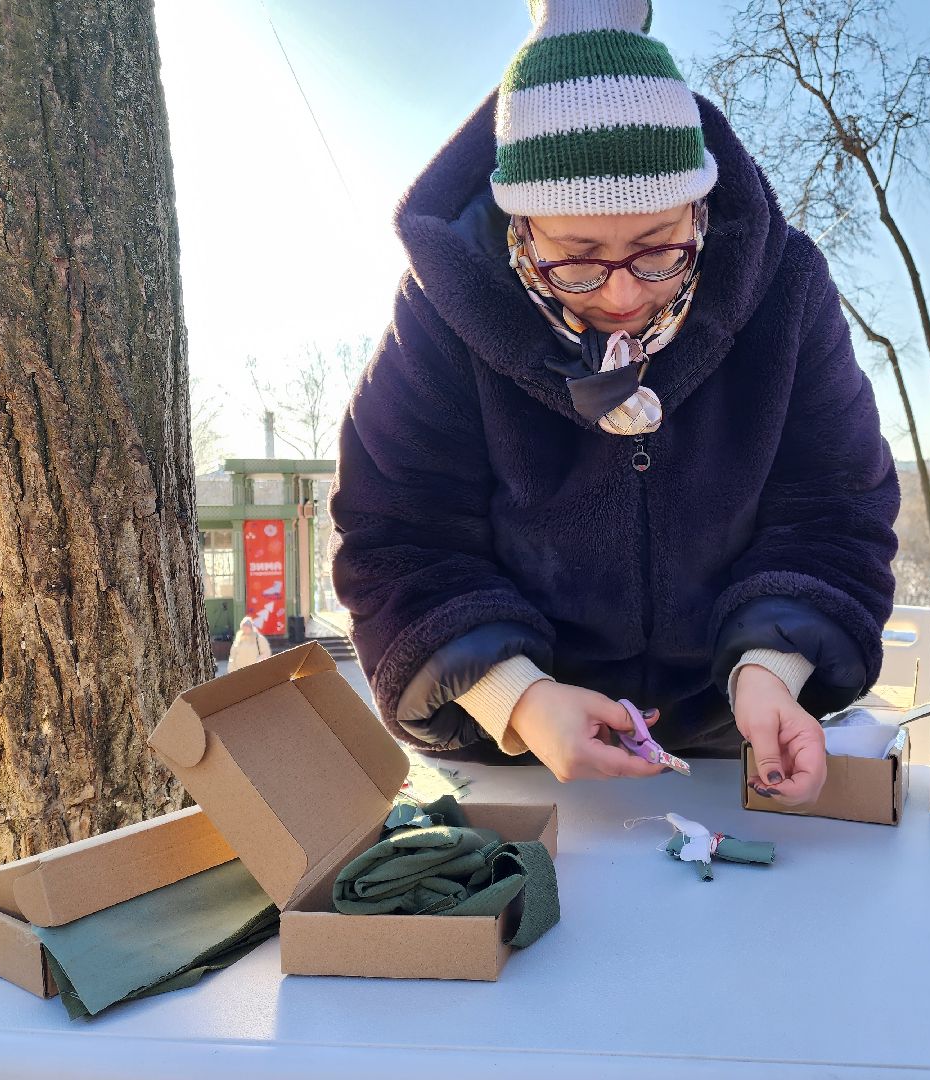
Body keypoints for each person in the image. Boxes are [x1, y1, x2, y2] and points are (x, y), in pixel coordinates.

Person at [330, 0, 899, 806]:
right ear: (519, 229)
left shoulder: (787, 294)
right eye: (579, 259)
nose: (626, 294)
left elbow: (835, 510)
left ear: (700, 206)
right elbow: (398, 536)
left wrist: (773, 670)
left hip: (734, 741)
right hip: (517, 754)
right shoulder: (441, 315)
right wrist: (518, 699)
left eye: (659, 247)